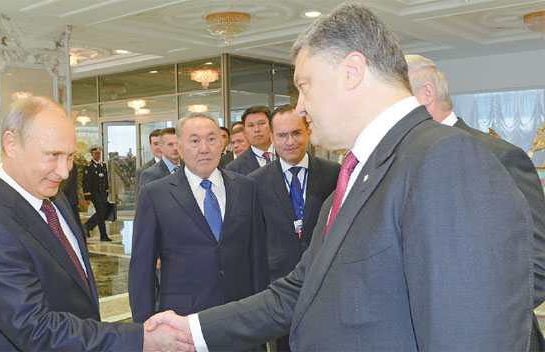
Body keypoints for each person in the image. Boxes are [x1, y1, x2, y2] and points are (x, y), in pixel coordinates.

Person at [147, 4, 534, 351]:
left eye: (304, 85)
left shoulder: (444, 159)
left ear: (351, 72)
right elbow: (301, 289)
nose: (300, 107)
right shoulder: (357, 175)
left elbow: (471, 336)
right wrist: (191, 330)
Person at [0, 96, 193, 351]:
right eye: (53, 155)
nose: (64, 171)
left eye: (69, 156)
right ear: (11, 144)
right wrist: (141, 339)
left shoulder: (53, 198)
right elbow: (37, 330)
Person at [406, 53, 545, 350]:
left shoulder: (499, 157)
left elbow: (536, 267)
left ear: (425, 95)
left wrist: (463, 322)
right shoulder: (402, 163)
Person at [129, 113, 269, 324]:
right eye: (194, 140)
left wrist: (261, 315)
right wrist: (144, 330)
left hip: (241, 317)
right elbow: (142, 269)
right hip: (183, 320)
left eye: (212, 139)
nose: (204, 148)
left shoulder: (246, 188)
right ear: (180, 146)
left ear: (222, 143)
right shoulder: (155, 194)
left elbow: (257, 257)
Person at [249, 105, 340, 351]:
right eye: (282, 135)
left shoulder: (336, 175)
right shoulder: (255, 183)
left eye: (296, 133)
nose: (290, 141)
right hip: (279, 290)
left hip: (325, 283)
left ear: (308, 132)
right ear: (272, 138)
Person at [226, 106, 275, 175]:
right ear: (245, 132)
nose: (257, 129)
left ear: (271, 126)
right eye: (251, 125)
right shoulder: (234, 168)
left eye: (261, 123)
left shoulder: (287, 153)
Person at [83, 144, 112, 241]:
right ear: (92, 154)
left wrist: (107, 191)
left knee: (102, 214)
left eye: (99, 153)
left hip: (103, 194)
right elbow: (86, 182)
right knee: (100, 213)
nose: (98, 155)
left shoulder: (103, 165)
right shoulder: (89, 167)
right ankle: (103, 236)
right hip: (95, 194)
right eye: (96, 154)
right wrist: (87, 196)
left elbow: (106, 180)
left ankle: (87, 226)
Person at [60, 160, 85, 240]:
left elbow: (67, 184)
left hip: (70, 200)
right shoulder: (60, 163)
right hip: (62, 200)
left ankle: (82, 245)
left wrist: (55, 194)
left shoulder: (71, 164)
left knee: (76, 225)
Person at [135, 129, 162, 200]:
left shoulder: (180, 166)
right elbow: (140, 200)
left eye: (162, 143)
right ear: (151, 147)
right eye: (155, 144)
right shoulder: (143, 171)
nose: (159, 147)